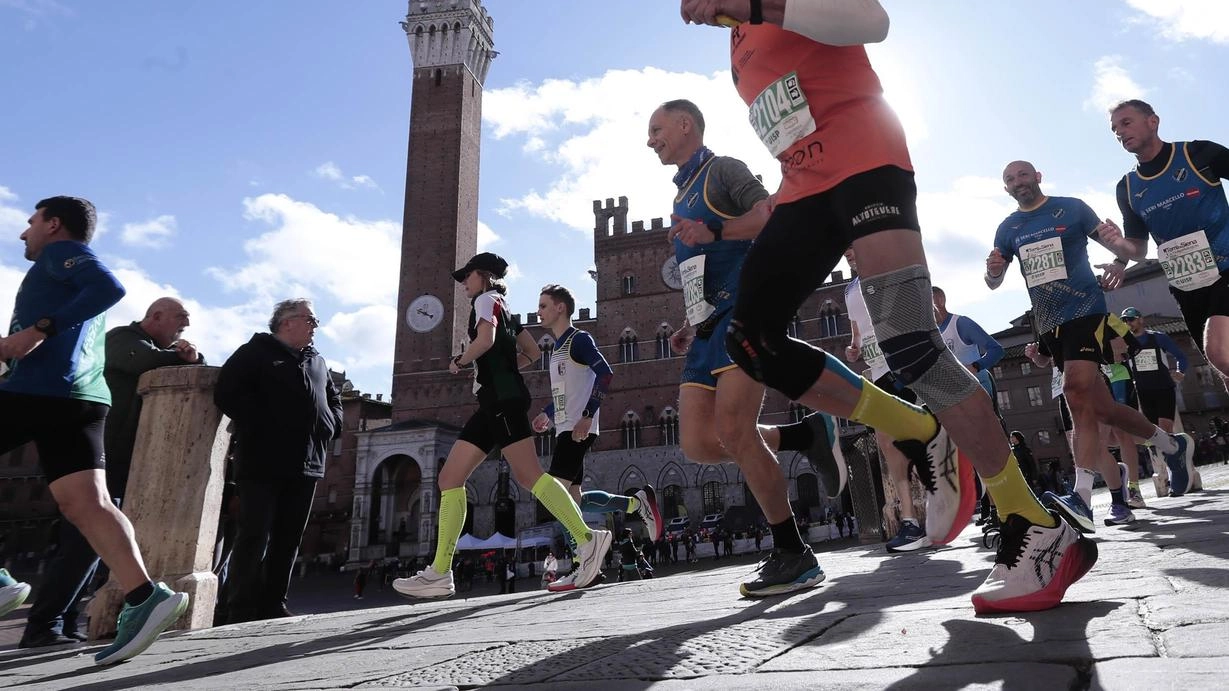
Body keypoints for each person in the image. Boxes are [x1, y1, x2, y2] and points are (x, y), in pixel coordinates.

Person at [680, 2, 1074, 613]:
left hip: (868, 164)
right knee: (750, 341)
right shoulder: (733, 40)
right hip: (803, 187)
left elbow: (871, 22)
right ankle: (918, 428)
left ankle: (1035, 521)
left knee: (911, 343)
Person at [648, 98, 844, 598]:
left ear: (686, 124)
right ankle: (804, 436)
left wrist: (714, 228)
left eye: (657, 129)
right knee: (697, 444)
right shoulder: (682, 193)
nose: (651, 140)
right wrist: (692, 321)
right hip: (706, 327)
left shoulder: (723, 171)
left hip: (742, 312)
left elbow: (770, 214)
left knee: (735, 431)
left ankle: (793, 553)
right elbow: (700, 270)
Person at [0, 196, 188, 664]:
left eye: (30, 223)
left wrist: (37, 330)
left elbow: (109, 286)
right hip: (82, 399)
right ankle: (146, 598)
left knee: (89, 504)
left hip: (42, 392)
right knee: (87, 504)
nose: (24, 233)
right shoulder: (60, 273)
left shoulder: (61, 256)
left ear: (54, 224)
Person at [986, 160, 1193, 530]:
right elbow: (993, 283)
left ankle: (1081, 496)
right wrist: (994, 269)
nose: (1018, 182)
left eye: (1023, 174)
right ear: (1006, 189)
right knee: (1104, 409)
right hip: (1049, 323)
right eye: (1010, 179)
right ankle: (1172, 447)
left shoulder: (1072, 208)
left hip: (1085, 310)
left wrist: (1118, 256)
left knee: (1074, 390)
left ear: (1038, 177)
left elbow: (1129, 248)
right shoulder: (1008, 228)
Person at [394, 253, 612, 598]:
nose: (464, 283)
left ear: (483, 276)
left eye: (467, 276)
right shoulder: (505, 309)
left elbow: (485, 340)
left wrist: (460, 361)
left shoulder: (484, 300)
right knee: (450, 478)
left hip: (501, 402)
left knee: (530, 477)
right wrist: (504, 369)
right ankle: (440, 572)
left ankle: (587, 540)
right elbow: (530, 351)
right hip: (495, 401)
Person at [20, 297, 204, 648]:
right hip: (94, 460)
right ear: (156, 316)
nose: (187, 325)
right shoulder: (122, 338)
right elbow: (145, 360)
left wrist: (190, 357)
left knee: (96, 547)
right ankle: (44, 623)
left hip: (120, 462)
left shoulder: (154, 348)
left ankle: (67, 621)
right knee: (81, 545)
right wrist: (182, 356)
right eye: (181, 317)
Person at [1103, 99, 1229, 494]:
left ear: (1153, 121)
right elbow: (1138, 248)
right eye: (1115, 129)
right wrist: (1118, 248)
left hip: (1226, 267)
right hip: (1186, 284)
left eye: (1126, 122)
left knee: (1221, 352)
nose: (1120, 131)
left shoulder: (1198, 154)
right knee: (1223, 366)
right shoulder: (1127, 188)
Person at [214, 298, 343, 623]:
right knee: (254, 534)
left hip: (309, 462)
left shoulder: (317, 361)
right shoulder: (254, 353)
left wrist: (332, 425)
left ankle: (273, 604)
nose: (315, 326)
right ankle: (239, 607)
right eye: (310, 320)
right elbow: (226, 393)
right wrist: (265, 423)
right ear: (287, 322)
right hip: (262, 459)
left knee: (288, 538)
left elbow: (333, 397)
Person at [531, 284, 661, 573]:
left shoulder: (579, 340)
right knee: (573, 498)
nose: (538, 312)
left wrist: (588, 415)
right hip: (565, 427)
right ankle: (635, 504)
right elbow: (569, 391)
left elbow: (605, 373)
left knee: (555, 494)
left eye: (543, 306)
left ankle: (583, 559)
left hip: (578, 429)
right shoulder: (556, 349)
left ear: (560, 308)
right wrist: (548, 413)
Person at [843, 247, 931, 553]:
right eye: (845, 251)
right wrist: (853, 350)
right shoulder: (850, 289)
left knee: (914, 437)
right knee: (886, 442)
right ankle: (910, 520)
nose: (849, 254)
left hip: (903, 365)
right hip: (878, 372)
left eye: (854, 247)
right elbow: (857, 334)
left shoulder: (884, 273)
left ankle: (935, 506)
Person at [1121, 306, 1195, 500]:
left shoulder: (1158, 338)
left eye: (1131, 319)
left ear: (1141, 320)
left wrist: (1180, 372)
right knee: (1155, 435)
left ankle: (1175, 476)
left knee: (1165, 429)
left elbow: (1181, 356)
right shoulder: (1125, 344)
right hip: (1144, 392)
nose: (1128, 323)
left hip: (1163, 388)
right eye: (1125, 321)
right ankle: (1174, 468)